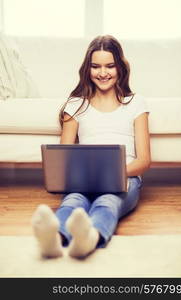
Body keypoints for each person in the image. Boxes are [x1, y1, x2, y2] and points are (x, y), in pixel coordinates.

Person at [31, 35, 151, 259]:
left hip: (125, 177)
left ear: (120, 68)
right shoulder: (76, 104)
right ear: (87, 69)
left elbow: (144, 160)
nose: (102, 73)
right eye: (95, 66)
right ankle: (55, 239)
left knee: (107, 201)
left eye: (110, 66)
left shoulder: (136, 103)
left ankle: (91, 237)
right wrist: (73, 176)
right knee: (73, 201)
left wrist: (114, 174)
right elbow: (62, 156)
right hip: (83, 178)